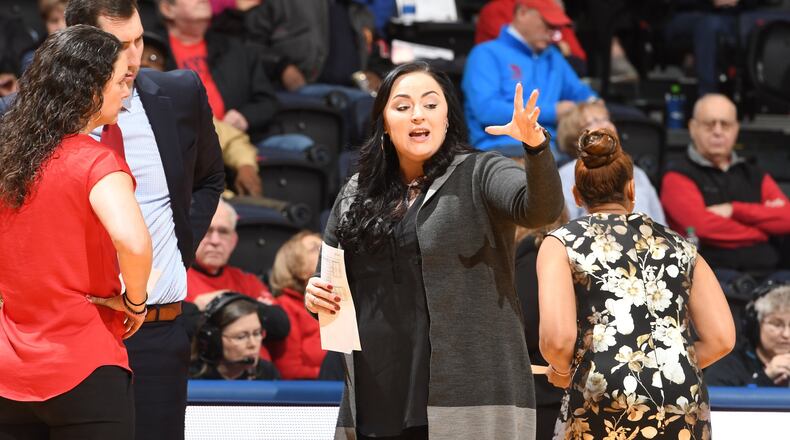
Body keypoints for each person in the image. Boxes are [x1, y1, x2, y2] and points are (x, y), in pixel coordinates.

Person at [305, 61, 564, 439]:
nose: (417, 116)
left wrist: (536, 147)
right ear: (384, 123)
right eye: (403, 106)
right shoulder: (357, 190)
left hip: (464, 392)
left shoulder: (480, 171)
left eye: (430, 104)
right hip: (376, 390)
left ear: (447, 117)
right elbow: (327, 276)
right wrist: (316, 295)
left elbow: (541, 209)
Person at [64, 1, 225, 439]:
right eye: (119, 46)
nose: (134, 57)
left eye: (138, 40)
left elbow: (210, 177)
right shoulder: (25, 116)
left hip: (158, 330)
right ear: (77, 47)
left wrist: (177, 248)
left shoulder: (181, 93)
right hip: (72, 333)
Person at [0, 25, 152, 438]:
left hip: (8, 370)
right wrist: (135, 302)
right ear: (89, 87)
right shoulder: (95, 162)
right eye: (121, 80)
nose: (126, 91)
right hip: (85, 364)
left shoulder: (9, 158)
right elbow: (133, 240)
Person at [537, 127, 735, 439]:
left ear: (575, 195)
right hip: (683, 396)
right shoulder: (680, 245)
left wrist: (562, 372)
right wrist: (673, 362)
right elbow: (722, 338)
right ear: (632, 189)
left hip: (602, 391)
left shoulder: (562, 241)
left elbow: (558, 339)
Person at [661, 94, 790, 276]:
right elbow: (701, 227)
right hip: (711, 278)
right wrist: (763, 230)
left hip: (771, 273)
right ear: (692, 128)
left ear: (736, 129)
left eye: (725, 125)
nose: (718, 131)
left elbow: (786, 218)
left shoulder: (754, 173)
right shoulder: (676, 175)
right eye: (709, 124)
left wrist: (734, 210)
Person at [462, 0, 597, 159]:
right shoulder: (485, 54)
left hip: (552, 149)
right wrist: (553, 112)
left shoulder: (553, 57)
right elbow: (487, 110)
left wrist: (595, 106)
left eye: (557, 28)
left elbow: (582, 93)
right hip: (502, 150)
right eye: (548, 24)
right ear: (522, 13)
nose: (555, 35)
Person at [157, 0, 280, 144]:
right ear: (167, 9)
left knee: (297, 144)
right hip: (181, 146)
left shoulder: (235, 49)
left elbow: (268, 102)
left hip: (241, 140)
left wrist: (245, 117)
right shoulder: (150, 53)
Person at [186, 200, 290, 350]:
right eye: (207, 231)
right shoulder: (175, 280)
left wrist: (224, 300)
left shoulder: (248, 281)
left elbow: (281, 326)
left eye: (223, 232)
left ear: (234, 241)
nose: (215, 241)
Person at [556, 101, 666, 223]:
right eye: (591, 122)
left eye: (606, 119)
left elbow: (660, 226)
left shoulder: (638, 173)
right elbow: (563, 227)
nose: (605, 125)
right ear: (576, 140)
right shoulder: (568, 174)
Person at [514, 208, 569, 440]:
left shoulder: (531, 256)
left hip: (542, 393)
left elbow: (525, 328)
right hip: (562, 388)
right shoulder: (567, 253)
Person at [267, 231, 327, 379]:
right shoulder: (285, 307)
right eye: (315, 249)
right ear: (294, 265)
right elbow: (290, 371)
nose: (326, 253)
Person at [706, 282, 790, 386]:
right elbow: (714, 400)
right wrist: (765, 378)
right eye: (777, 324)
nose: (786, 334)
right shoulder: (728, 365)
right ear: (755, 326)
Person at [191, 292, 281, 380]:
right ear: (214, 340)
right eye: (241, 337)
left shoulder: (267, 374)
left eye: (257, 333)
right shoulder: (188, 377)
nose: (253, 344)